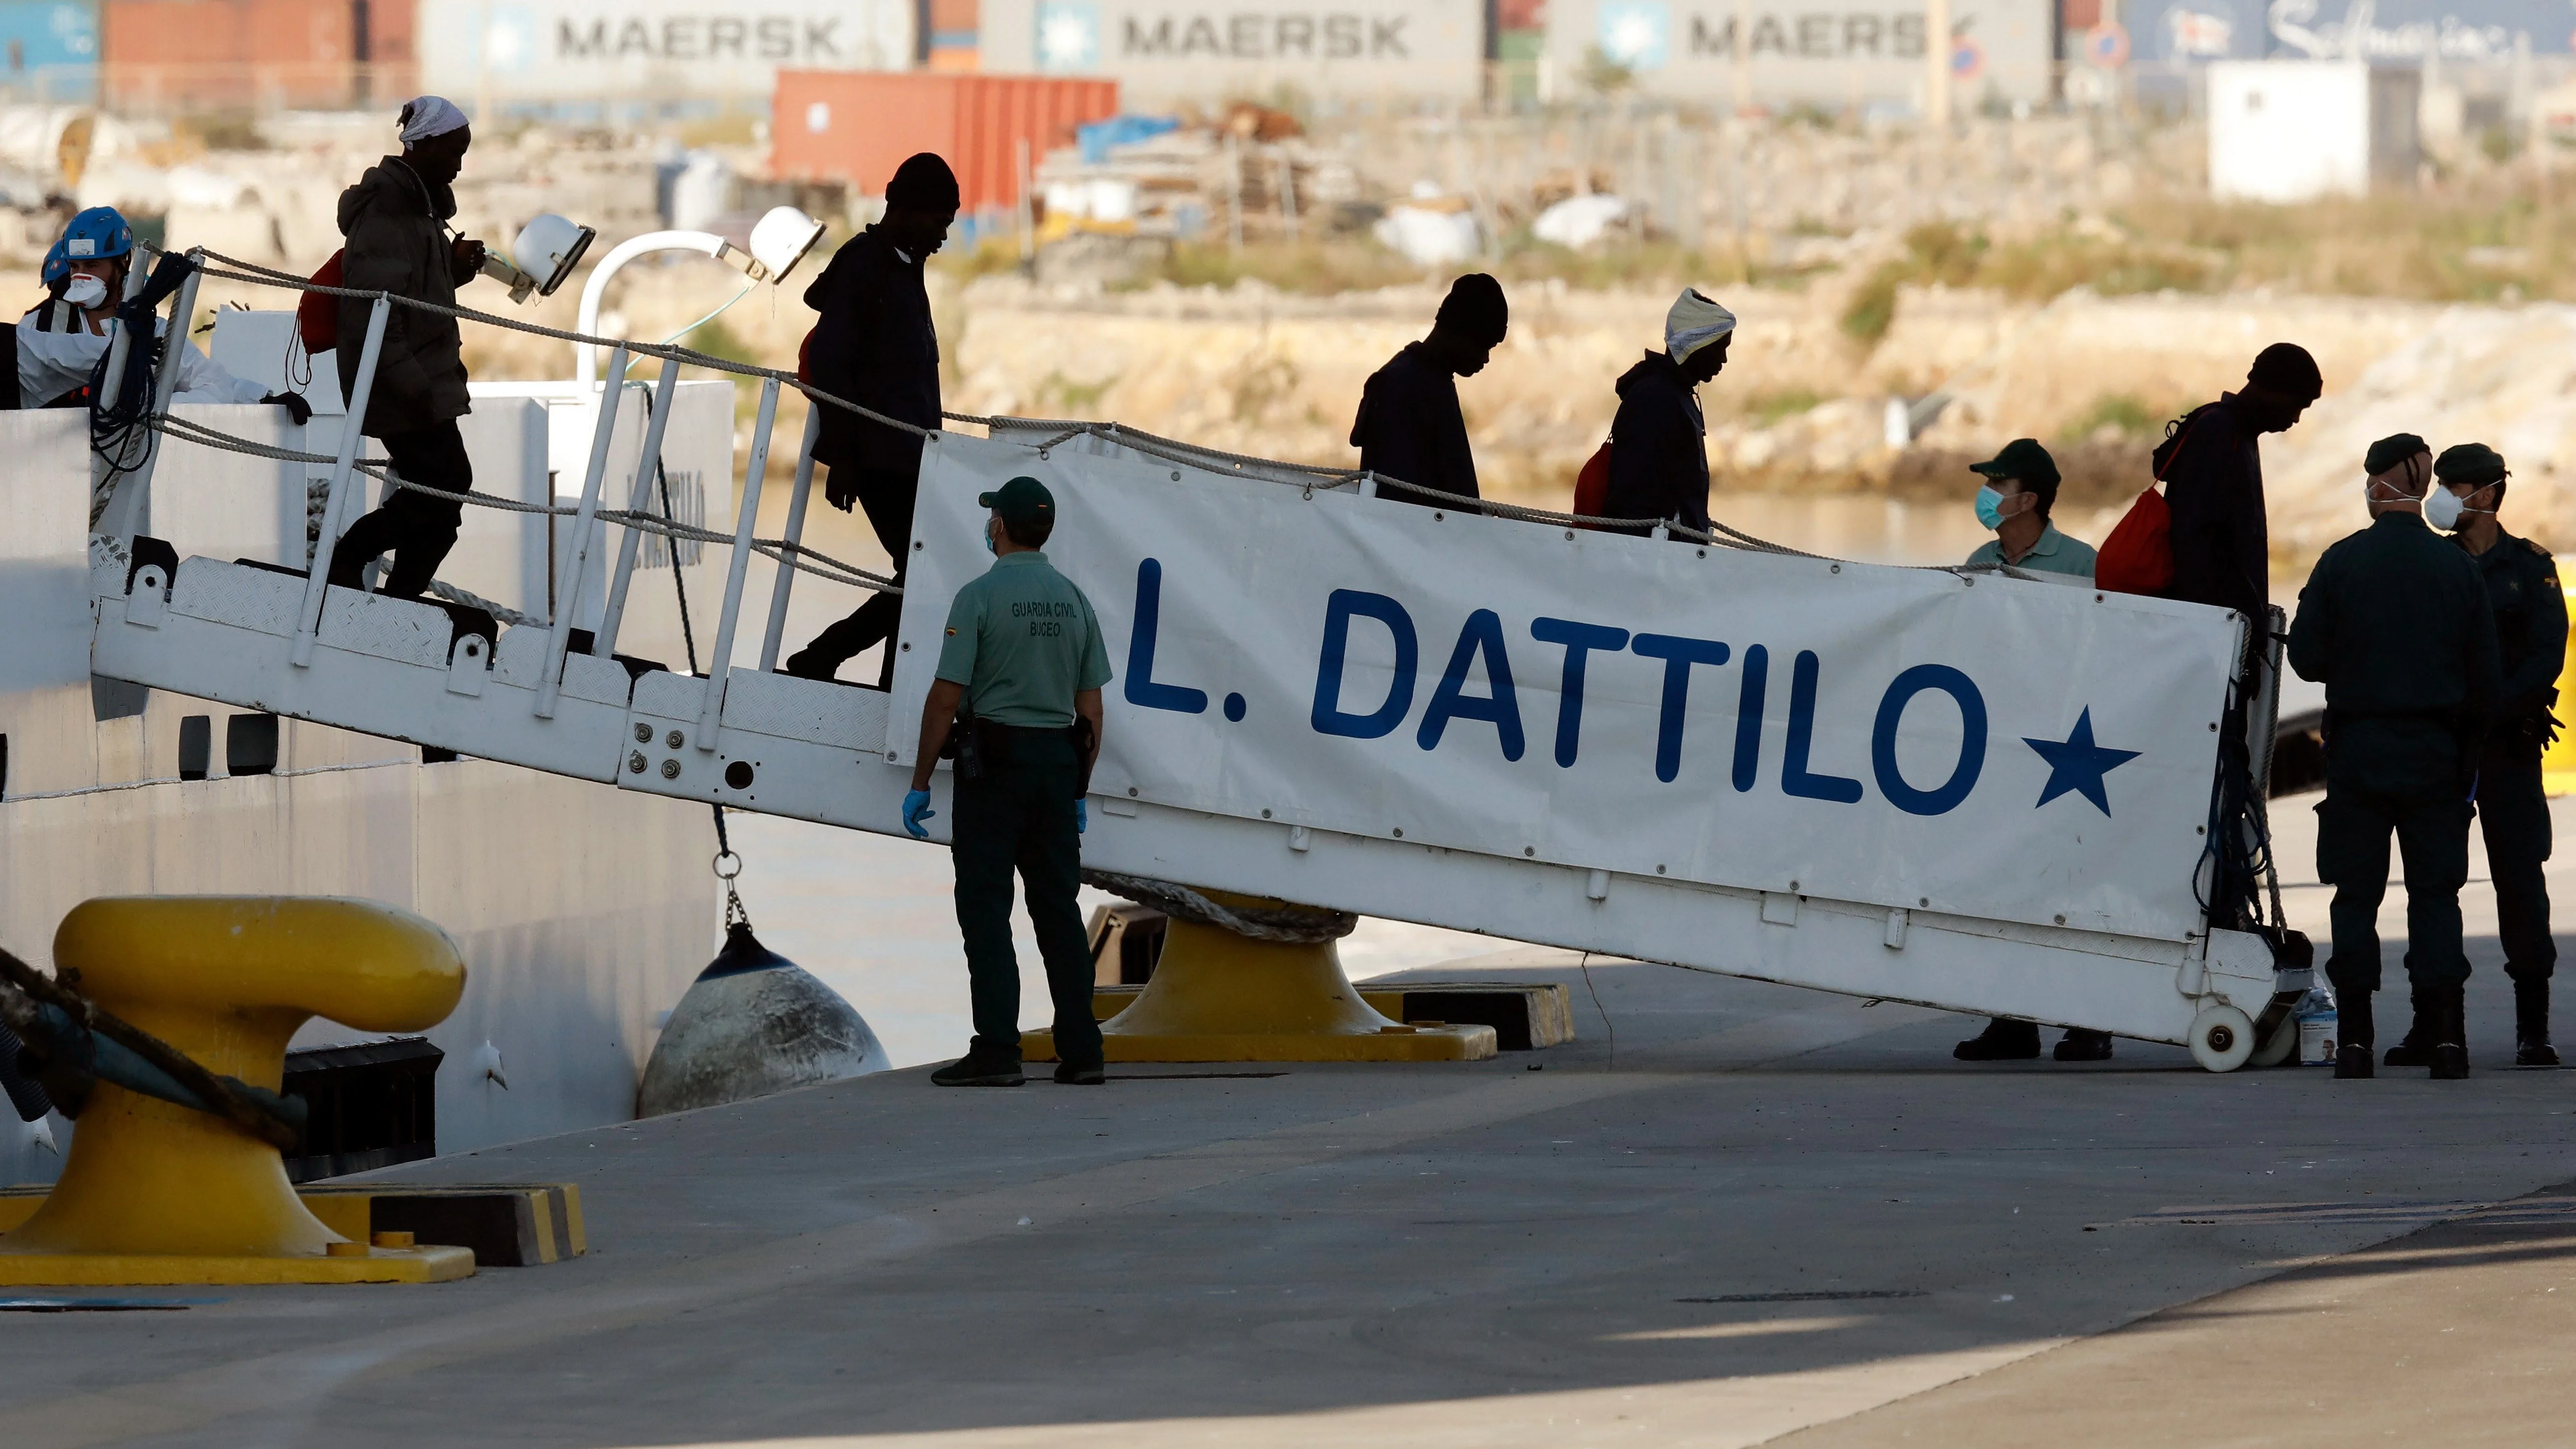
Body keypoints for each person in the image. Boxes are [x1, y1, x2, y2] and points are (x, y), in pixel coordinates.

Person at [2287, 434, 2500, 1081]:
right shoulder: (2458, 567)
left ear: (2378, 486)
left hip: (2359, 752)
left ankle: (2354, 1041)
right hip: (2436, 754)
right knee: (2436, 896)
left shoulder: (2341, 562)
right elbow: (2485, 678)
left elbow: (2305, 657)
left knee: (2355, 896)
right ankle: (2446, 1040)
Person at [902, 476, 1113, 1088]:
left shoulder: (978, 597)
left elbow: (945, 699)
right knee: (1058, 912)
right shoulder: (1075, 600)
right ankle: (1083, 1052)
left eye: (992, 515)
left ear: (999, 526)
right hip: (1055, 766)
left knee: (986, 911)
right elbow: (1092, 712)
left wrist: (920, 782)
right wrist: (1076, 790)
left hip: (993, 768)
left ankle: (997, 1049)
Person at [2380, 442, 2565, 1068]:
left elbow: (2546, 655)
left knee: (2519, 881)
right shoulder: (2431, 563)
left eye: (2454, 487)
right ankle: (2428, 1020)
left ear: (2484, 495)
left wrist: (2493, 707)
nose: (2443, 497)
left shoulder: (2530, 565)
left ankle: (2531, 1027)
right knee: (2433, 885)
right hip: (2444, 749)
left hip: (2508, 749)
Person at [1950, 437, 2113, 1063]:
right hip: (1999, 745)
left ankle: (2089, 1019)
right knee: (2003, 882)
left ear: (2030, 499)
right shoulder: (1978, 561)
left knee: (2071, 883)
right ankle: (2011, 1018)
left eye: (1997, 484)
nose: (1986, 496)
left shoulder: (2080, 563)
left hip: (2070, 749)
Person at [782, 152, 961, 687]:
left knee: (924, 572)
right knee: (926, 573)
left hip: (910, 457)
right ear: (903, 209)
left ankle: (885, 680)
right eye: (938, 222)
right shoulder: (865, 265)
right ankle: (826, 657)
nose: (943, 235)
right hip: (881, 458)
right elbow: (835, 366)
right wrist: (844, 459)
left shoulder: (905, 267)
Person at [324, 96, 490, 600]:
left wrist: (454, 271)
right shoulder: (389, 212)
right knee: (447, 484)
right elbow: (372, 315)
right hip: (400, 382)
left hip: (419, 378)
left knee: (443, 499)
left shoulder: (417, 209)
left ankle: (400, 604)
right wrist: (417, 388)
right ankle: (351, 554)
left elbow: (411, 294)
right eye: (454, 153)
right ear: (426, 145)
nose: (459, 165)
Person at [5, 209, 300, 417]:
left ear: (122, 263)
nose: (81, 277)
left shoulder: (154, 330)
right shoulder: (38, 326)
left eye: (93, 267)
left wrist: (262, 397)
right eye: (75, 267)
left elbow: (210, 381)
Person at [2158, 342, 2322, 634]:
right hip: (2206, 630)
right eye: (2296, 404)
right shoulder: (2220, 432)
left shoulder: (2240, 434)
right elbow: (2195, 539)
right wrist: (2229, 624)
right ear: (2270, 389)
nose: (2296, 418)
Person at [1350, 273, 1508, 508]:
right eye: (1483, 345)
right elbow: (1399, 501)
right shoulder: (1403, 386)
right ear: (1460, 331)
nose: (1485, 358)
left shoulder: (1431, 379)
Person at [1600, 288, 1735, 536]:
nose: (1724, 359)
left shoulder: (1676, 395)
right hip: (1651, 560)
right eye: (1719, 348)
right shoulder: (1654, 398)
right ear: (1696, 344)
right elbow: (1632, 501)